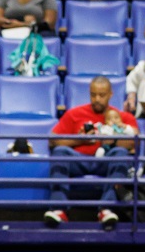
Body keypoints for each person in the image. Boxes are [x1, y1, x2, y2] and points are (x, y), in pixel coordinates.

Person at [44, 76, 138, 229]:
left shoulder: (122, 118)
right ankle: (59, 209)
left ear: (110, 95)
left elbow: (134, 143)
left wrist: (110, 141)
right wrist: (80, 140)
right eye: (93, 95)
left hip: (105, 161)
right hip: (79, 160)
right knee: (60, 151)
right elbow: (53, 141)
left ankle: (106, 209)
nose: (97, 99)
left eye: (102, 95)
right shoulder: (74, 114)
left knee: (120, 152)